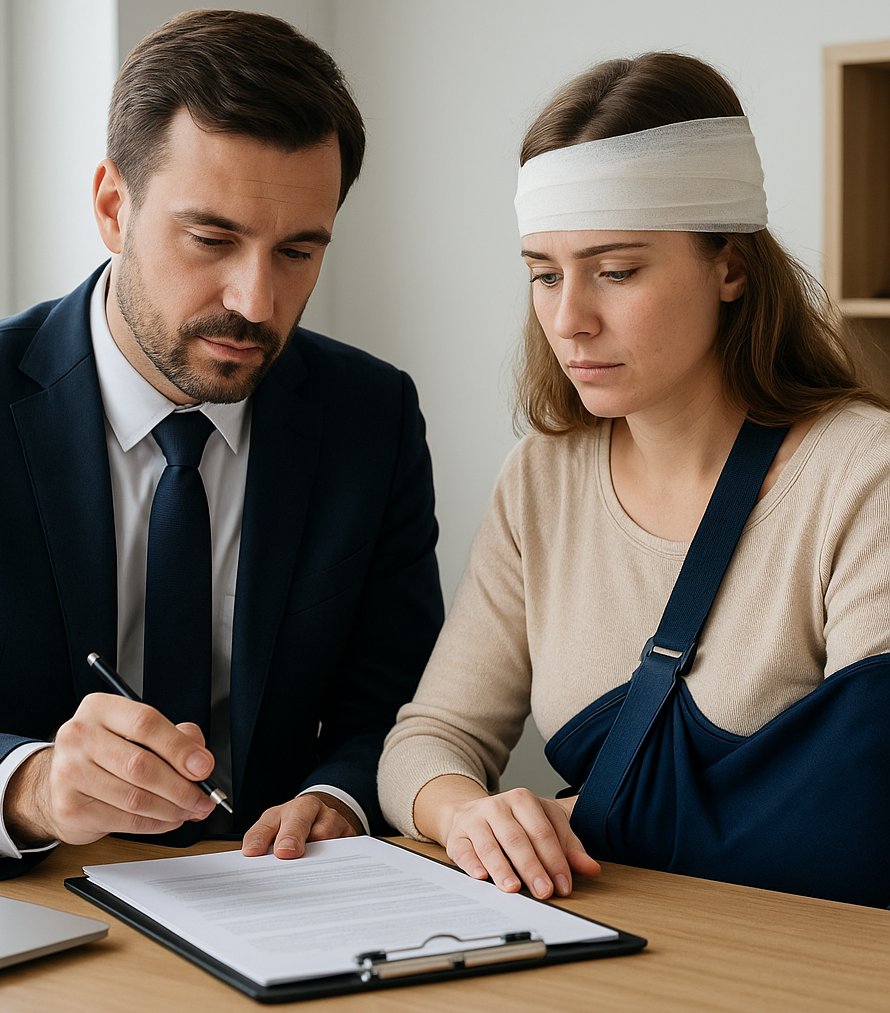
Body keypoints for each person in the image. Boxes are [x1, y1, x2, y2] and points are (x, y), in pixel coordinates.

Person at [0, 9, 443, 883]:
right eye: (211, 239)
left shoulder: (373, 415)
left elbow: (402, 710)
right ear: (112, 206)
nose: (255, 300)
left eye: (297, 251)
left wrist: (343, 798)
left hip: (283, 903)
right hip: (42, 901)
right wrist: (32, 789)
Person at [378, 52, 890, 905]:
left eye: (615, 271)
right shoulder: (542, 480)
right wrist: (468, 815)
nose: (569, 320)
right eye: (544, 274)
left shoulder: (862, 474)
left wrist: (592, 822)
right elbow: (430, 737)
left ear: (730, 265)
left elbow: (864, 801)